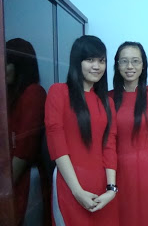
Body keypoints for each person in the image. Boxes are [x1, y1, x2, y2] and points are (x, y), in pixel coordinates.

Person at [45, 35, 118, 226]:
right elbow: (57, 143)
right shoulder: (58, 92)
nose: (96, 66)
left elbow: (109, 145)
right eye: (90, 59)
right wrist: (77, 191)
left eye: (101, 61)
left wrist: (111, 189)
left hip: (103, 188)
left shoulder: (107, 102)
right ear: (77, 61)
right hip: (70, 183)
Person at [110, 42, 148, 226]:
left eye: (135, 61)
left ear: (143, 65)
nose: (130, 67)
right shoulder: (108, 98)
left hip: (144, 171)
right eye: (124, 61)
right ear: (116, 65)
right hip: (113, 171)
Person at [6, 38, 47, 225]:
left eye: (7, 63)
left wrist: (4, 186)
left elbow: (24, 150)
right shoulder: (12, 95)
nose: (4, 68)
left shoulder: (33, 93)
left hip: (25, 181)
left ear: (19, 65)